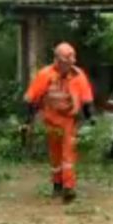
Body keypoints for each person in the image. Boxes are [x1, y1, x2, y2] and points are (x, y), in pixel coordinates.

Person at [23, 42, 94, 202]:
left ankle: (68, 187)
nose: (68, 66)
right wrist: (28, 120)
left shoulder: (78, 75)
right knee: (55, 154)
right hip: (51, 120)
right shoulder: (45, 74)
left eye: (70, 62)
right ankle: (57, 185)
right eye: (65, 62)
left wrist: (90, 118)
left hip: (69, 120)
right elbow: (31, 98)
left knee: (68, 154)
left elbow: (87, 98)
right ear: (57, 60)